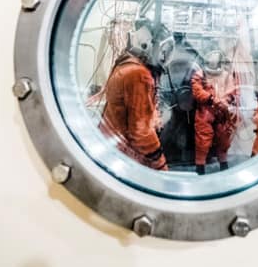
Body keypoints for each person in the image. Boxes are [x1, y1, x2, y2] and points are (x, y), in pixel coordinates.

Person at [98, 19, 174, 170]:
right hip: (124, 155)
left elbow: (132, 112)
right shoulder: (138, 75)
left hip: (112, 149)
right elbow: (141, 133)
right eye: (163, 50)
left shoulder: (127, 64)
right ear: (148, 46)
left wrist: (154, 117)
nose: (164, 56)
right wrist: (161, 166)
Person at [191, 50, 238, 175]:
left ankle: (224, 165)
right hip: (205, 112)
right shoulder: (200, 75)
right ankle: (200, 168)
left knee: (224, 139)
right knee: (202, 141)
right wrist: (212, 99)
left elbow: (232, 90)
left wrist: (225, 100)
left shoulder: (227, 75)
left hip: (223, 112)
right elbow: (197, 92)